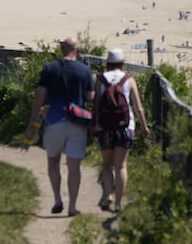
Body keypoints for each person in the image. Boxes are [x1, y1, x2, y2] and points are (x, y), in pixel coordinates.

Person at [29, 36, 94, 216]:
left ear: (61, 50)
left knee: (53, 162)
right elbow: (91, 97)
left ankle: (58, 199)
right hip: (77, 122)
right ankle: (72, 207)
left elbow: (40, 96)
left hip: (53, 121)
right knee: (74, 167)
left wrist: (32, 122)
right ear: (77, 51)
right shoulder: (85, 70)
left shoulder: (49, 68)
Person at [94, 48, 148, 213]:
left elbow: (96, 106)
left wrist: (93, 125)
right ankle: (117, 205)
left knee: (107, 165)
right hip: (125, 127)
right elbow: (138, 107)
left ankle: (107, 195)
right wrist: (144, 126)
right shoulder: (128, 80)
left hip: (104, 127)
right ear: (123, 63)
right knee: (121, 166)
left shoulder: (101, 80)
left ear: (107, 63)